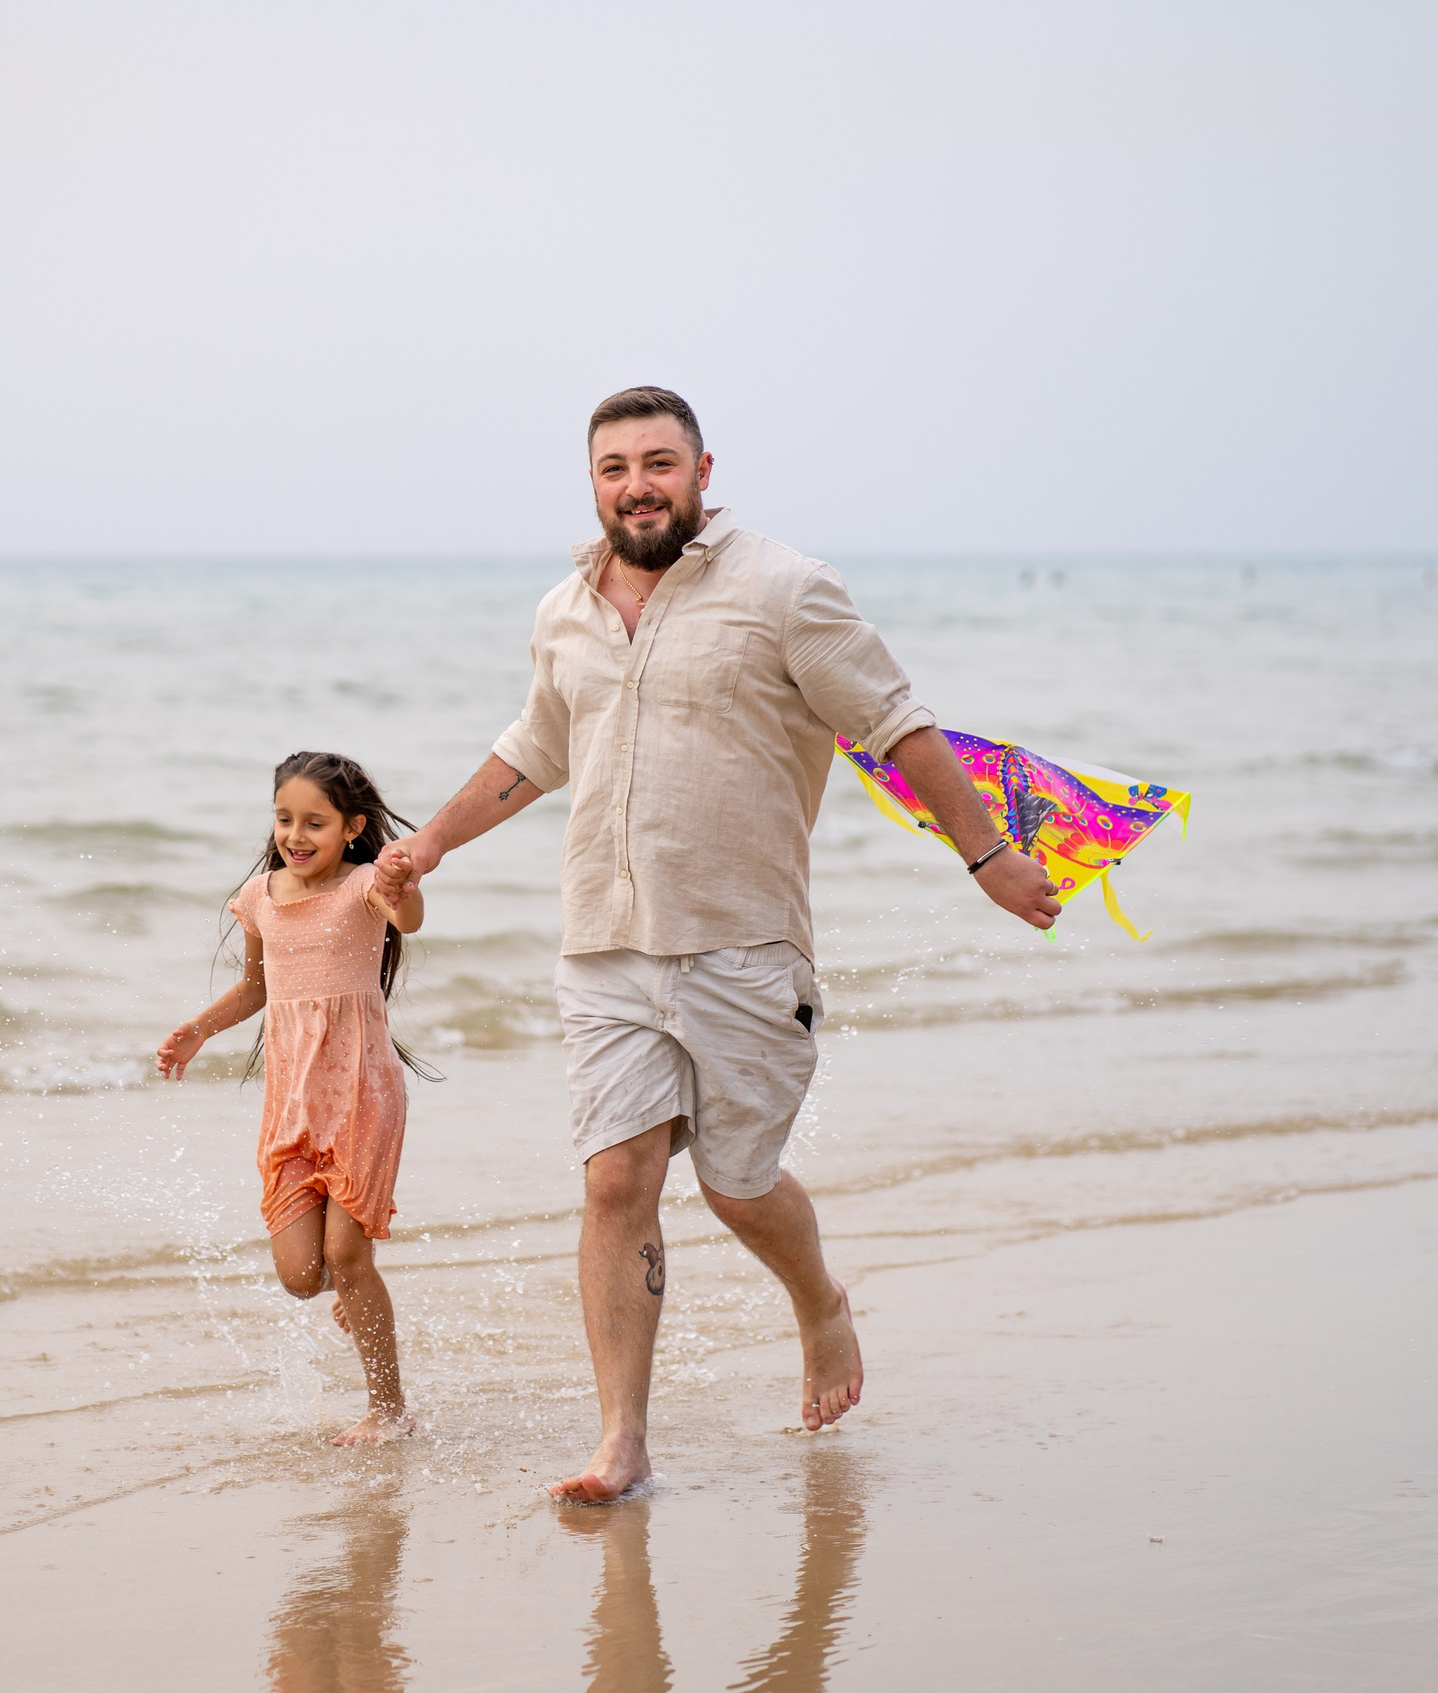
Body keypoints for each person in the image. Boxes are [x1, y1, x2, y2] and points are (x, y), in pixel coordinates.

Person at [376, 387, 1060, 1501]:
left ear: (702, 469)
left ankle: (819, 1303)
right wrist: (435, 842)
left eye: (657, 463)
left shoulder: (785, 589)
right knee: (616, 1183)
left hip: (743, 943)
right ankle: (622, 1442)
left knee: (739, 1190)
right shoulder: (565, 610)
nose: (635, 485)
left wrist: (987, 860)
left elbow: (897, 724)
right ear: (590, 483)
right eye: (612, 468)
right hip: (603, 940)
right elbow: (535, 746)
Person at [158, 751, 429, 1445]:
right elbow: (256, 988)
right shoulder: (260, 897)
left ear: (352, 828)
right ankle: (354, 1287)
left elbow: (410, 919)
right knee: (302, 1274)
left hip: (364, 1091)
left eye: (315, 821)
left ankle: (388, 1409)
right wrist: (198, 1029)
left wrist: (403, 878)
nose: (295, 834)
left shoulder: (365, 884)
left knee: (347, 1252)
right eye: (285, 818)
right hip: (293, 1099)